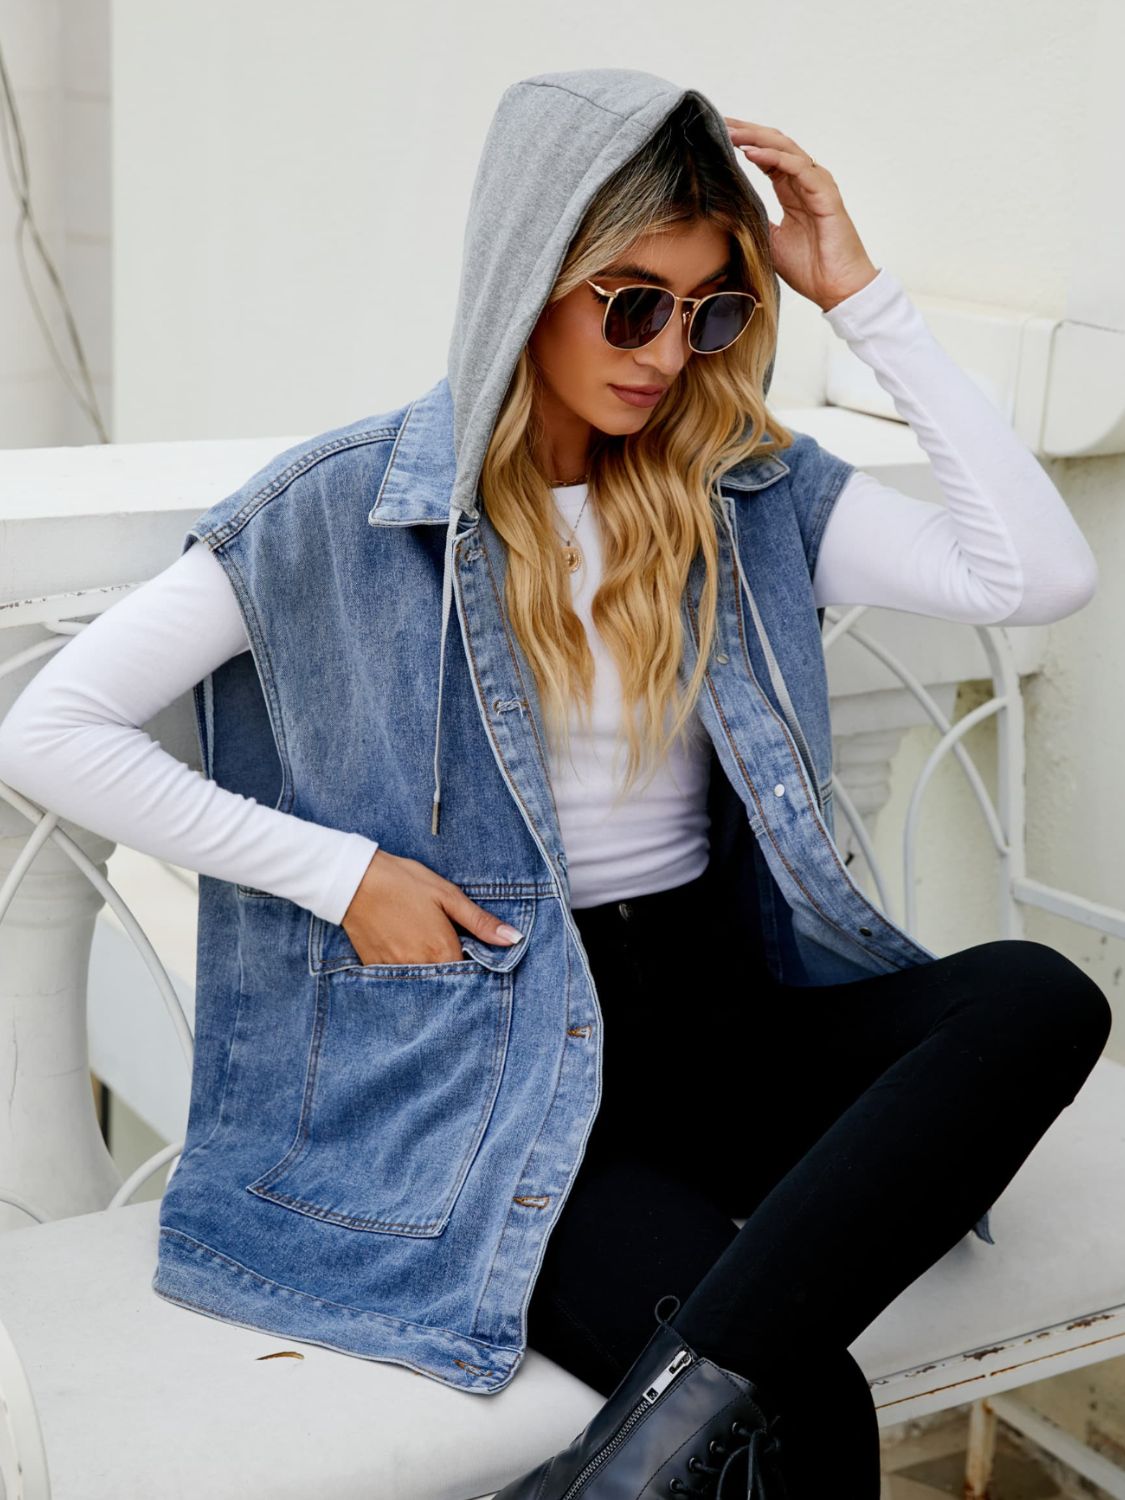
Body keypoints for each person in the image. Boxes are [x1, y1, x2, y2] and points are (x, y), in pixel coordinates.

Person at [0, 67, 1111, 1498]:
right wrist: (343, 875)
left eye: (711, 312)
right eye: (631, 304)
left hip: (723, 1026)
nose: (668, 353)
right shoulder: (344, 508)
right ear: (530, 276)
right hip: (499, 1081)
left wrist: (861, 299)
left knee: (1037, 997)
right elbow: (52, 726)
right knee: (806, 1419)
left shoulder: (740, 489)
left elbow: (1037, 575)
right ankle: (646, 1460)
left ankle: (613, 1474)